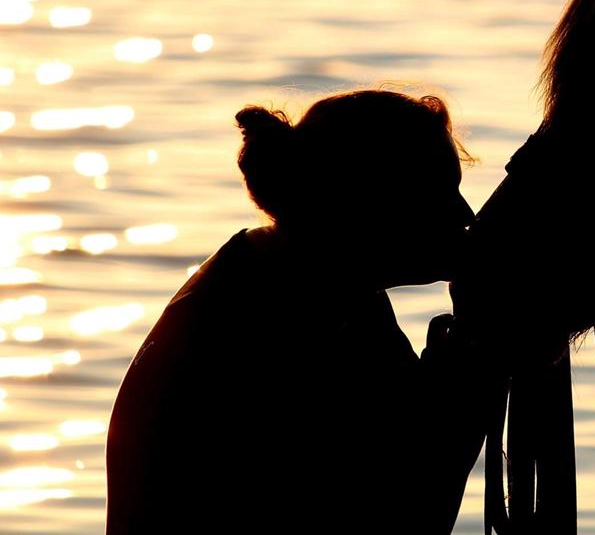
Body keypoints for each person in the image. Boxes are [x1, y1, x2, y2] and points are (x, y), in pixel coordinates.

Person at [105, 89, 486, 534]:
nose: (465, 214)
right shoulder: (267, 326)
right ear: (365, 201)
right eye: (437, 193)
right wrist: (477, 359)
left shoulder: (314, 282)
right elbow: (407, 512)